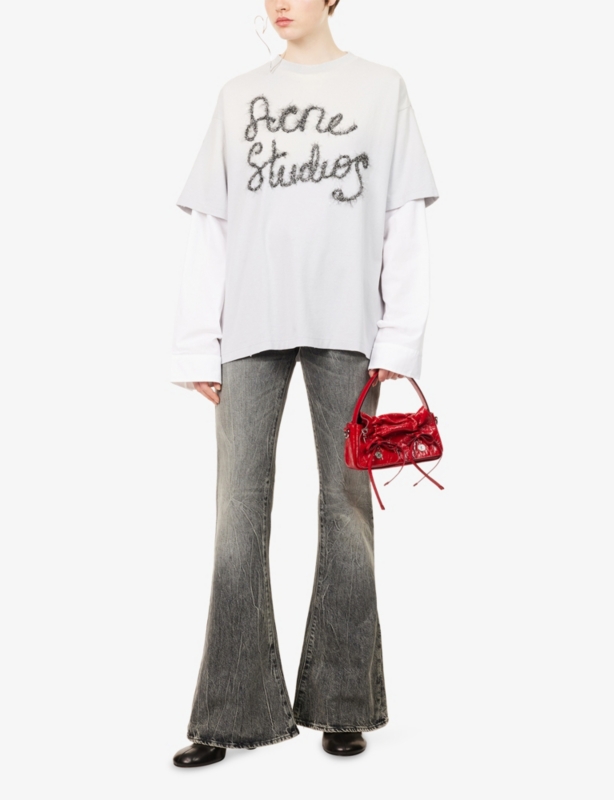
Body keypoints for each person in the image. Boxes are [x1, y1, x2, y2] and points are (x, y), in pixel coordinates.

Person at [170, 0, 439, 767]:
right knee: (237, 517)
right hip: (248, 330)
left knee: (347, 511)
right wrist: (197, 346)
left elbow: (404, 218)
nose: (279, 3)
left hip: (349, 327)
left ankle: (344, 704)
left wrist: (400, 337)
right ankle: (230, 711)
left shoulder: (382, 89)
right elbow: (212, 224)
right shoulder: (237, 96)